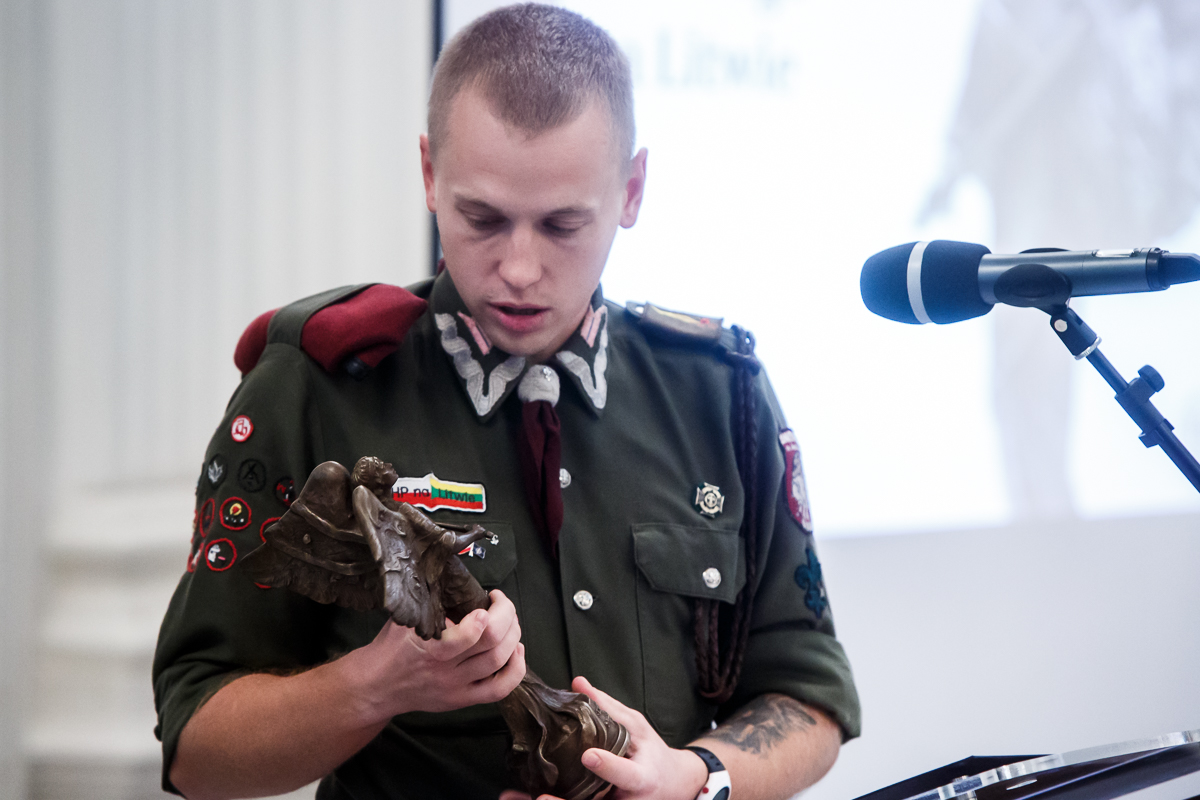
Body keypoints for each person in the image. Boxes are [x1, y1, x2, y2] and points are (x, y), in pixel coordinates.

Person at [153, 5, 861, 799]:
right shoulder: (316, 387)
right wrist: (378, 685)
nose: (520, 269)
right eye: (483, 219)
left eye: (563, 225)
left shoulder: (718, 391)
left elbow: (809, 697)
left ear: (631, 190)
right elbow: (196, 747)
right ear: (430, 175)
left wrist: (692, 780)